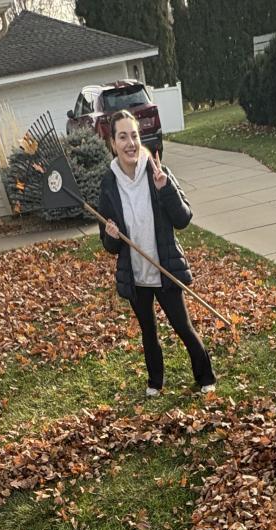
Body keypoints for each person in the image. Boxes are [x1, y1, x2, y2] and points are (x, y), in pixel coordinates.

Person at [97, 110, 216, 398]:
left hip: (164, 269)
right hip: (136, 275)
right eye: (122, 137)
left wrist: (165, 189)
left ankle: (205, 377)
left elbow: (183, 219)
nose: (130, 143)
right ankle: (155, 383)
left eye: (134, 135)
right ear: (113, 143)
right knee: (148, 332)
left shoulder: (157, 172)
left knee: (182, 326)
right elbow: (109, 245)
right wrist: (111, 235)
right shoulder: (109, 184)